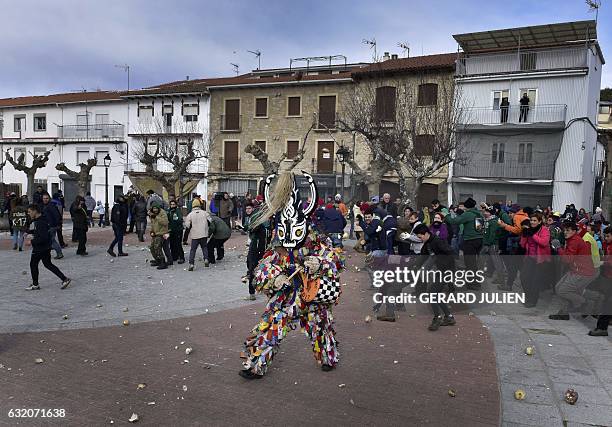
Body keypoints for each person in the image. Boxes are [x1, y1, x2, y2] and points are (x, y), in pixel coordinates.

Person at [240, 171, 343, 379]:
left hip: (311, 293)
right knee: (271, 326)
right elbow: (262, 267)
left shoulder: (313, 237)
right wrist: (274, 277)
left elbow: (335, 258)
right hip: (286, 295)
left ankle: (328, 357)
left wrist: (319, 262)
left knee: (321, 327)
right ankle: (255, 364)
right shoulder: (277, 245)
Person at [413, 223, 457, 331]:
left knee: (432, 293)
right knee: (434, 294)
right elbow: (422, 257)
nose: (420, 239)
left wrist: (440, 260)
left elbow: (451, 252)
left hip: (446, 271)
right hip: (440, 271)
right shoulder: (427, 243)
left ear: (426, 233)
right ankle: (449, 317)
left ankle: (437, 318)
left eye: (420, 237)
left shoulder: (437, 241)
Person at [549, 222, 597, 320]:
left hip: (583, 271)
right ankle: (564, 313)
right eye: (564, 230)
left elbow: (568, 259)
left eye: (568, 230)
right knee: (559, 288)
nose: (565, 232)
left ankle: (585, 303)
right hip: (576, 269)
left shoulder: (575, 240)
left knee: (563, 290)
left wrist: (558, 248)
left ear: (574, 231)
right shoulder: (571, 239)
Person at [24, 204, 71, 291]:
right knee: (48, 264)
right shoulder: (41, 219)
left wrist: (31, 242)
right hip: (46, 247)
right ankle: (64, 279)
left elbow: (43, 237)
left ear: (35, 211)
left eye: (30, 212)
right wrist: (29, 231)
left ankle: (35, 284)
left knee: (33, 264)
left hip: (40, 248)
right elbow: (40, 231)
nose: (28, 214)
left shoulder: (40, 222)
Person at [445, 197, 484, 289]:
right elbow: (480, 228)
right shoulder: (478, 214)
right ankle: (476, 282)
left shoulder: (468, 214)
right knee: (474, 263)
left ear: (467, 207)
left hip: (470, 241)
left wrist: (447, 216)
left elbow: (455, 221)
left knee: (470, 263)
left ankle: (472, 284)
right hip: (479, 240)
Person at [519, 212, 551, 307]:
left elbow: (544, 242)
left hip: (541, 259)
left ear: (540, 221)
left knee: (535, 280)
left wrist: (532, 234)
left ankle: (533, 300)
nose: (532, 222)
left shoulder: (544, 230)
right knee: (524, 277)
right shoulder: (529, 230)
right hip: (530, 257)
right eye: (531, 220)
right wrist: (524, 235)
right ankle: (528, 296)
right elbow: (522, 244)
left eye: (534, 221)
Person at [498, 204, 529, 291]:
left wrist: (505, 226)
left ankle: (509, 285)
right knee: (519, 267)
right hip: (523, 245)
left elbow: (518, 230)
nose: (509, 215)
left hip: (518, 246)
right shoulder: (524, 217)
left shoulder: (517, 217)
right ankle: (524, 287)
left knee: (513, 266)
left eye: (510, 213)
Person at [588, 228, 612, 336]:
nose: (605, 238)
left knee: (607, 303)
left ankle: (602, 327)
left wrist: (602, 262)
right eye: (605, 236)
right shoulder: (607, 245)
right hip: (607, 276)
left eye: (608, 236)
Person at [244, 202, 269, 300]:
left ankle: (252, 293)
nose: (247, 210)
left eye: (249, 208)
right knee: (253, 267)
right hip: (257, 247)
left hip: (257, 248)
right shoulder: (255, 217)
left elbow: (254, 228)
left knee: (252, 268)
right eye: (247, 209)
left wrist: (250, 228)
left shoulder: (257, 217)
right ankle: (258, 288)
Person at [481, 207, 506, 284]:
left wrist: (488, 244)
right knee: (491, 261)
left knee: (497, 262)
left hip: (492, 244)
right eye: (485, 211)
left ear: (491, 214)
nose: (485, 213)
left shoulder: (494, 222)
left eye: (487, 212)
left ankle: (501, 279)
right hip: (488, 244)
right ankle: (492, 274)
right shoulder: (487, 221)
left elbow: (492, 234)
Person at [185, 198, 209, 271]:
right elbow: (210, 220)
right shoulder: (205, 213)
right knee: (204, 247)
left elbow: (187, 226)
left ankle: (191, 264)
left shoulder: (190, 215)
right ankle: (206, 259)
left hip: (195, 235)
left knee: (193, 250)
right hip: (203, 234)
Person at [149, 203, 172, 269]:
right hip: (155, 233)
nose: (155, 210)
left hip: (162, 233)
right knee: (152, 248)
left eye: (156, 208)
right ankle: (157, 260)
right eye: (154, 208)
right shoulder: (152, 214)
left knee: (157, 247)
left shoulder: (162, 213)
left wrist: (156, 217)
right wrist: (152, 231)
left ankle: (163, 262)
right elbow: (153, 224)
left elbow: (165, 222)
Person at [41, 193, 63, 260]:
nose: (45, 200)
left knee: (51, 240)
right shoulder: (45, 206)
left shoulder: (51, 206)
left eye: (46, 198)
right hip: (48, 225)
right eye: (44, 198)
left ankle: (59, 253)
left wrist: (57, 224)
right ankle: (53, 251)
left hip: (52, 225)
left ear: (49, 199)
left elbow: (57, 215)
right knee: (50, 240)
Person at [167, 200, 185, 264]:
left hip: (178, 230)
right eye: (171, 204)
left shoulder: (178, 211)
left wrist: (176, 219)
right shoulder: (169, 211)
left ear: (176, 205)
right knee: (172, 244)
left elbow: (180, 220)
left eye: (173, 204)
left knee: (178, 244)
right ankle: (174, 256)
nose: (172, 206)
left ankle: (181, 257)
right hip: (171, 230)